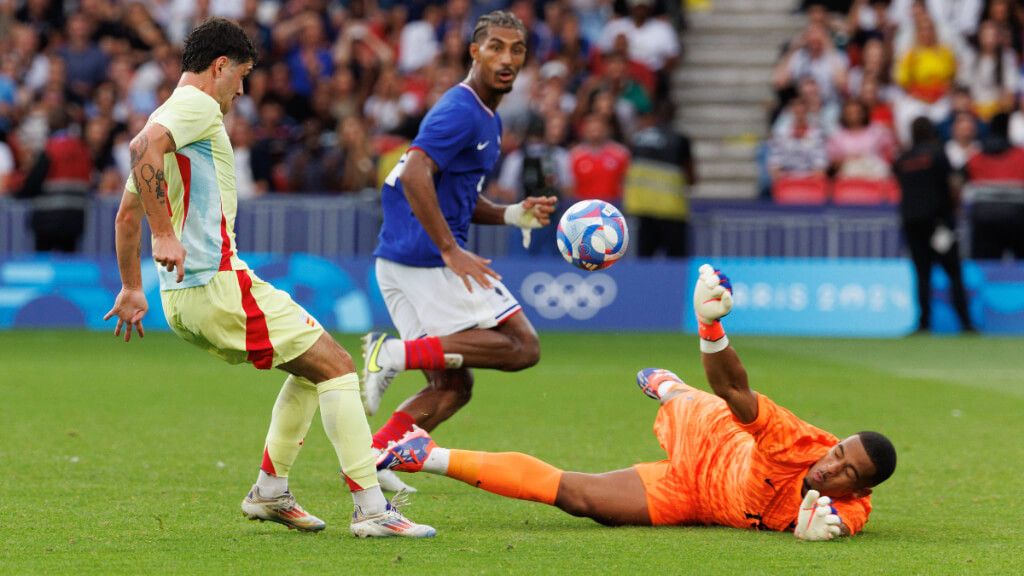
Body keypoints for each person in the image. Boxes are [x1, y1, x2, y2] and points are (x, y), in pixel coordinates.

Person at [102, 17, 433, 538]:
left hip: (181, 297)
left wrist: (131, 286)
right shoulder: (195, 107)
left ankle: (271, 493)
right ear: (220, 67)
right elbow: (141, 148)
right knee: (340, 368)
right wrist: (165, 234)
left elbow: (125, 215)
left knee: (309, 368)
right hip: (217, 283)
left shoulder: (172, 116)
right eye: (243, 75)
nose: (243, 88)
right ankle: (372, 510)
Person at [378, 265, 897, 539]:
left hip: (696, 500)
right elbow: (734, 390)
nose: (831, 468)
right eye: (838, 453)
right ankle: (670, 386)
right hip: (711, 436)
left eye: (847, 470)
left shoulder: (850, 510)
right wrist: (711, 328)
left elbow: (838, 527)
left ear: (863, 488)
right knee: (689, 401)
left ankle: (425, 454)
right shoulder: (796, 441)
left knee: (581, 500)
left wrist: (817, 538)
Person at [363, 11, 557, 491]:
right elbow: (412, 174)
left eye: (516, 50)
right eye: (495, 47)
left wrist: (512, 215)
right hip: (426, 259)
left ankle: (375, 460)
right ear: (474, 52)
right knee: (521, 346)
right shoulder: (461, 110)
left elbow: (459, 200)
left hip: (399, 260)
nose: (506, 58)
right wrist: (450, 250)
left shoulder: (485, 118)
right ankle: (393, 353)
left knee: (452, 387)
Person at [893, 117, 974, 333]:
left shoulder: (903, 158)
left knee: (922, 273)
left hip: (912, 223)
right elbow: (952, 183)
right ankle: (966, 323)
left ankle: (923, 323)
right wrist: (953, 207)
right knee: (954, 272)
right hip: (938, 224)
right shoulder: (938, 153)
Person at [623, 102, 696, 258]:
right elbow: (692, 178)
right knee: (677, 260)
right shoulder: (680, 140)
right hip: (672, 211)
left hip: (643, 208)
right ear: (674, 115)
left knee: (645, 259)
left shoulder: (638, 138)